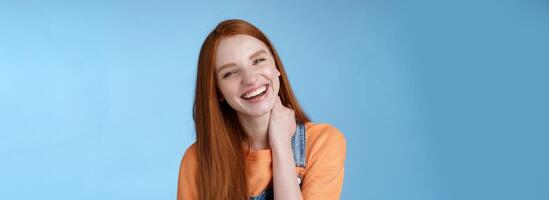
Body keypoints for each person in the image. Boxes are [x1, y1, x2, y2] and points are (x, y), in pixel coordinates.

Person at [177, 19, 347, 200]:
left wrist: (281, 146)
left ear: (276, 68)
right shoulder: (197, 160)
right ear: (218, 91)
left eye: (258, 60)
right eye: (230, 73)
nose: (250, 79)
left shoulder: (322, 143)